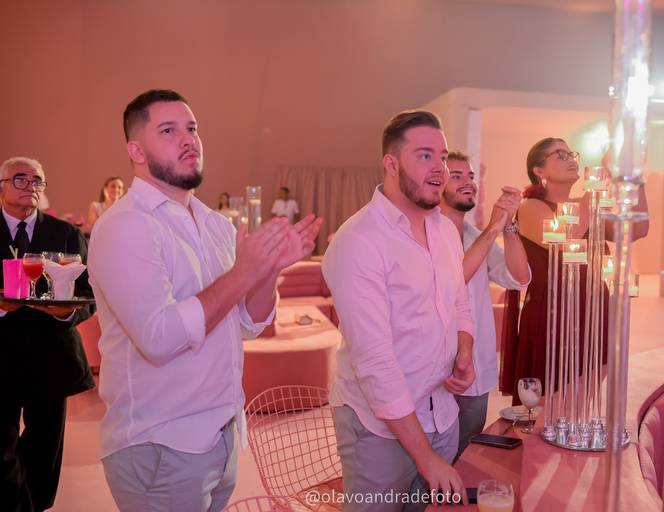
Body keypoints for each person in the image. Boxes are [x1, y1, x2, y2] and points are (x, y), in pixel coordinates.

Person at [88, 89, 321, 512]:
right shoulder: (125, 226)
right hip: (161, 442)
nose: (188, 139)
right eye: (168, 130)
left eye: (192, 128)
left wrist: (269, 270)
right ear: (136, 151)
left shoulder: (214, 224)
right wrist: (243, 273)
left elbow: (248, 323)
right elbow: (159, 338)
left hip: (221, 434)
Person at [323, 110, 475, 511]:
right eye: (424, 155)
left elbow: (458, 301)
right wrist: (426, 458)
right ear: (391, 164)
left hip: (442, 413)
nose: (440, 168)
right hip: (379, 431)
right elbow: (375, 363)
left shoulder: (445, 230)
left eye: (442, 156)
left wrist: (464, 351)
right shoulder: (359, 241)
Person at [500, 137, 648, 397]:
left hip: (592, 310)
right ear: (539, 170)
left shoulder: (586, 206)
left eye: (571, 154)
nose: (570, 159)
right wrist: (601, 178)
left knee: (583, 398)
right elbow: (567, 237)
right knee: (549, 399)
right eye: (560, 155)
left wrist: (636, 177)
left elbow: (637, 228)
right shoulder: (530, 206)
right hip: (553, 316)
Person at [0, 156, 95, 512]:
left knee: (45, 450)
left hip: (52, 357)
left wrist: (66, 311)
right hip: (1, 357)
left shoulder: (65, 234)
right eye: (20, 179)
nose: (30, 186)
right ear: (2, 187)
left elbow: (90, 292)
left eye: (37, 180)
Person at [438, 150, 531, 458]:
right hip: (438, 370)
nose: (469, 183)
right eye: (456, 176)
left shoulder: (474, 234)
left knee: (465, 456)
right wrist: (493, 228)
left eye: (470, 176)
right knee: (432, 460)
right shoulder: (427, 233)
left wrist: (508, 226)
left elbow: (519, 278)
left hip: (475, 364)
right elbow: (451, 283)